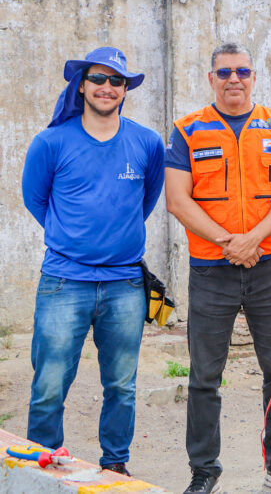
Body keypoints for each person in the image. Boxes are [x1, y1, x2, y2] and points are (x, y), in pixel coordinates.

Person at [21, 46, 165, 477]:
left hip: (125, 285)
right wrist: (73, 237)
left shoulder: (147, 142)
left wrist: (114, 239)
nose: (107, 87)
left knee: (121, 385)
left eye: (116, 80)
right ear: (81, 86)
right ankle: (43, 468)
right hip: (64, 282)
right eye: (98, 79)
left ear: (125, 89)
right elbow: (36, 200)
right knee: (49, 384)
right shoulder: (51, 142)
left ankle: (115, 465)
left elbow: (146, 200)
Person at [165, 43, 271, 494]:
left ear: (254, 76)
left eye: (242, 71)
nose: (234, 79)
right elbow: (177, 200)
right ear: (211, 79)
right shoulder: (188, 130)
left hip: (269, 264)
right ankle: (204, 470)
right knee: (205, 375)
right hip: (212, 269)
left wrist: (253, 239)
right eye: (224, 73)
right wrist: (229, 242)